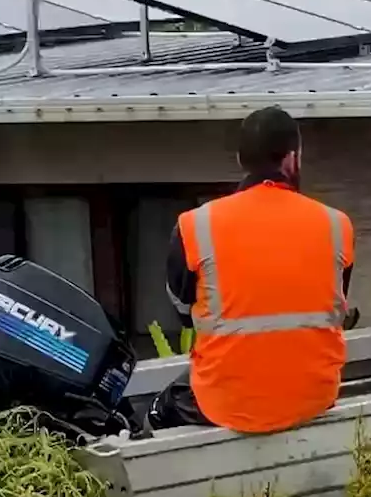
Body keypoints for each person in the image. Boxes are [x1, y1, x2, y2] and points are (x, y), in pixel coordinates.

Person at [150, 106, 356, 434]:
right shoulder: (336, 225)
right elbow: (334, 303)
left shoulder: (195, 224)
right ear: (291, 159)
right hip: (313, 396)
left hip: (225, 402)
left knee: (163, 409)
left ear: (240, 160)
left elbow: (182, 310)